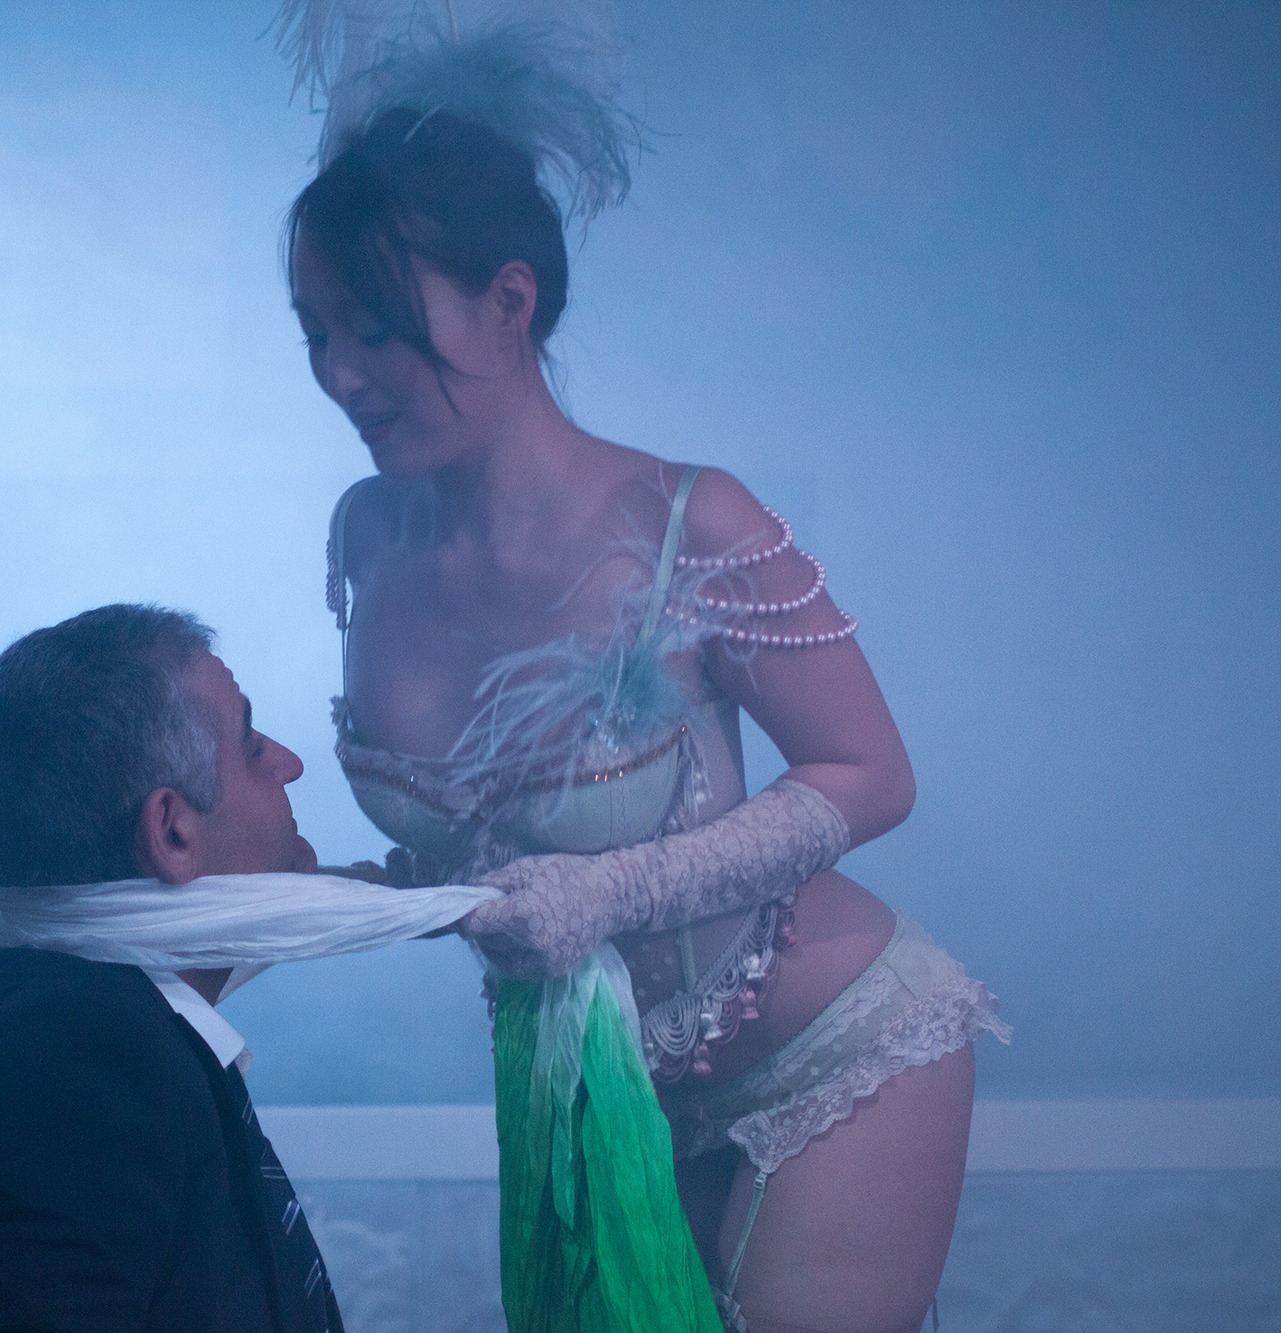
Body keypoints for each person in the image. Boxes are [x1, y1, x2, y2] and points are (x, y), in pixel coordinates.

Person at [283, 16, 1009, 1332]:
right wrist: (299, 902)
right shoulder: (366, 538)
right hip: (603, 1101)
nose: (342, 375)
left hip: (834, 1051)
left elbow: (872, 774)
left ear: (510, 302)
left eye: (378, 329)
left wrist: (614, 886)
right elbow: (479, 856)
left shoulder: (691, 522)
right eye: (314, 333)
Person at [0, 604, 348, 1333]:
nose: (290, 762)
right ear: (172, 831)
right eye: (252, 743)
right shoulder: (75, 1058)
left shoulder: (73, 1014)